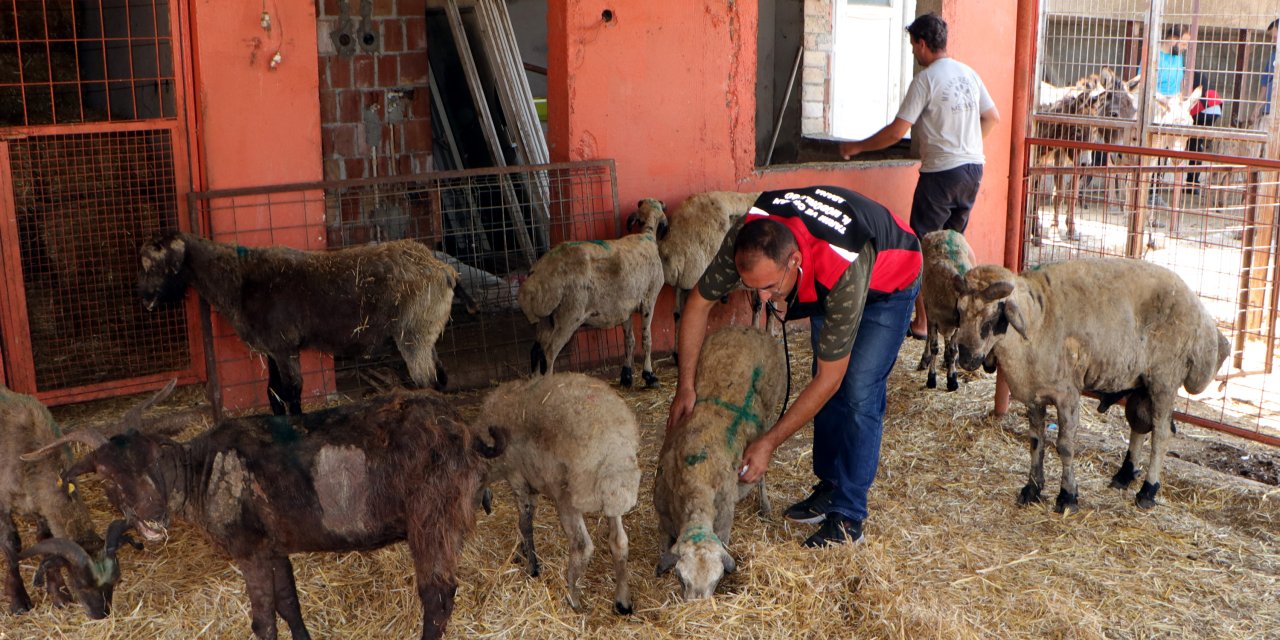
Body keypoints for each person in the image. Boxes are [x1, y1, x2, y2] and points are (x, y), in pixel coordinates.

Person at [665, 186, 922, 547]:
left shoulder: (840, 265)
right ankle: (830, 486)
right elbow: (697, 304)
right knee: (829, 374)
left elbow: (829, 379)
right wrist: (686, 386)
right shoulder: (747, 237)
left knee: (858, 389)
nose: (762, 298)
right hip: (827, 273)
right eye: (752, 288)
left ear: (793, 262)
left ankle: (848, 516)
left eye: (769, 287)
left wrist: (769, 442)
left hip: (890, 278)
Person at [838, 13, 997, 341]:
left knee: (923, 248)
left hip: (941, 174)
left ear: (923, 44)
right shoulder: (968, 73)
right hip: (972, 170)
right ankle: (960, 320)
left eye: (913, 46)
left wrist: (856, 148)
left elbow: (897, 131)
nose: (913, 52)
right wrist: (966, 144)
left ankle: (923, 323)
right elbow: (991, 117)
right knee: (954, 248)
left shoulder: (926, 80)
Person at [1249, 18, 1277, 126]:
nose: (1272, 41)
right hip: (1268, 112)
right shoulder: (1272, 57)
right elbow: (1265, 85)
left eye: (1275, 38)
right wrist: (1256, 108)